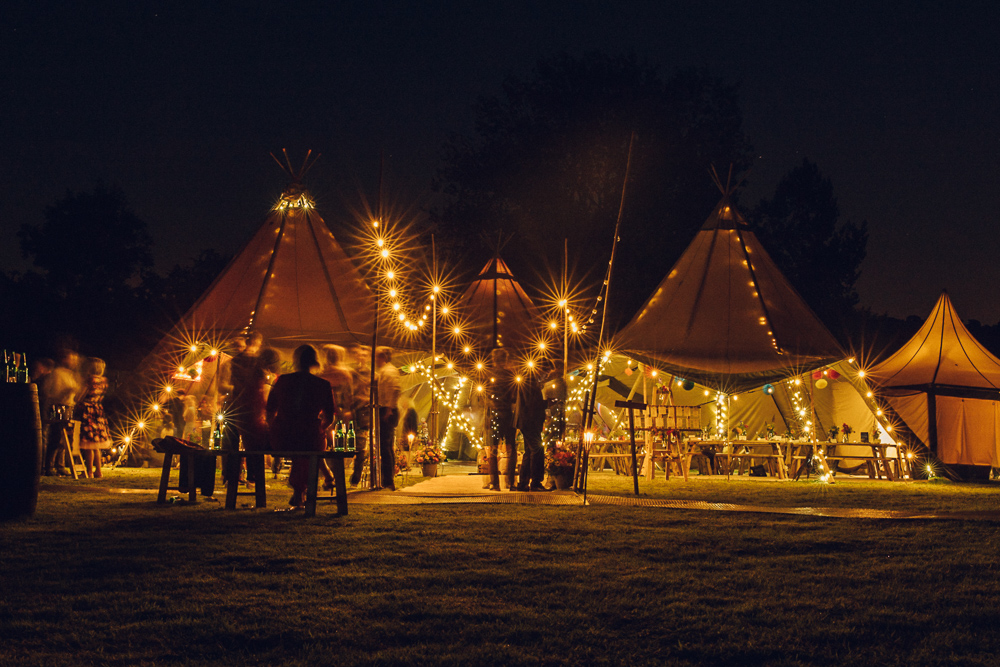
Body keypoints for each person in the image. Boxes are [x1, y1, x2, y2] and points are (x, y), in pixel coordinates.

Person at [266, 345, 335, 508]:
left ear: (296, 360)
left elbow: (270, 410)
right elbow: (330, 417)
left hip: (282, 435)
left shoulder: (282, 380)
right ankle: (301, 491)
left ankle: (300, 492)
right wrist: (320, 428)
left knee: (303, 439)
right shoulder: (323, 384)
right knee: (311, 441)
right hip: (309, 435)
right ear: (315, 361)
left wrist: (274, 427)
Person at [40, 349, 81, 476]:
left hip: (69, 407)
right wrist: (65, 393)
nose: (74, 362)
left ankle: (60, 465)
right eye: (71, 358)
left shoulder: (71, 375)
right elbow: (52, 392)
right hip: (58, 407)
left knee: (66, 440)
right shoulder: (57, 373)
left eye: (75, 359)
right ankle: (49, 466)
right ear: (64, 359)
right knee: (56, 437)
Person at [73, 357, 112, 478]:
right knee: (97, 445)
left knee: (89, 443)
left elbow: (79, 396)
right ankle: (98, 471)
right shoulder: (104, 381)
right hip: (98, 411)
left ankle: (89, 471)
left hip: (88, 411)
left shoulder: (90, 380)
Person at [486, 347, 518, 490]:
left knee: (492, 449)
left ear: (493, 360)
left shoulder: (488, 376)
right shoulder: (511, 376)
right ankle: (511, 482)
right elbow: (515, 396)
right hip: (508, 415)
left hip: (494, 415)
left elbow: (485, 397)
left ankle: (495, 482)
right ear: (505, 360)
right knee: (511, 449)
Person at [515, 361, 548, 491]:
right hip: (529, 421)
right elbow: (532, 403)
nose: (545, 376)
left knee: (529, 452)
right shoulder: (529, 382)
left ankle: (523, 483)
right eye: (546, 373)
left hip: (527, 421)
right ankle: (535, 482)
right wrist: (547, 403)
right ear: (540, 369)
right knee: (537, 449)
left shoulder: (529, 380)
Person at [374, 346, 400, 490]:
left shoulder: (389, 371)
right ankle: (388, 478)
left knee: (385, 445)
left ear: (383, 357)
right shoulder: (384, 371)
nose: (375, 360)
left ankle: (388, 480)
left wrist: (389, 409)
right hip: (385, 408)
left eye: (377, 356)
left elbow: (394, 390)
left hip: (387, 409)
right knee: (386, 445)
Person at [346, 343, 372, 487]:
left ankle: (355, 477)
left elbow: (370, 394)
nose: (360, 357)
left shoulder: (370, 373)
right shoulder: (353, 372)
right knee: (344, 443)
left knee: (360, 447)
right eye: (358, 354)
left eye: (363, 355)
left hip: (364, 413)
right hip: (352, 411)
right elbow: (348, 392)